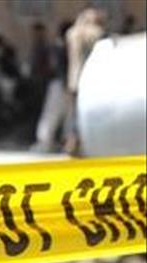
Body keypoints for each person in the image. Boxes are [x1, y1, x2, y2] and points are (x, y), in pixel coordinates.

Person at [64, 7, 106, 156]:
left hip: (73, 80)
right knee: (91, 114)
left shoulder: (72, 33)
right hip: (89, 80)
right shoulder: (95, 33)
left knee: (74, 113)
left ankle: (72, 142)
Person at [32, 21, 73, 152]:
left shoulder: (59, 46)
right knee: (61, 114)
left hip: (60, 84)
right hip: (62, 84)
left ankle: (50, 142)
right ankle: (51, 142)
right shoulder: (62, 47)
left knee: (57, 114)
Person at [0, 33, 23, 106]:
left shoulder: (7, 50)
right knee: (7, 96)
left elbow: (10, 63)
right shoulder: (5, 50)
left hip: (9, 77)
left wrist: (1, 60)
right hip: (7, 76)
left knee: (8, 96)